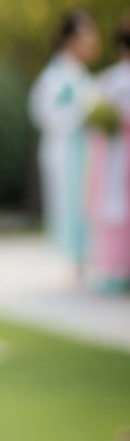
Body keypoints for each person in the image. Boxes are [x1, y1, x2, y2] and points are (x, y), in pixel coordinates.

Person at [28, 9, 100, 271]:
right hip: (66, 149)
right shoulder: (57, 77)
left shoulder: (76, 74)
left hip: (83, 148)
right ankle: (77, 259)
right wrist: (85, 115)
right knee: (71, 203)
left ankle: (86, 258)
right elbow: (47, 114)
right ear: (71, 40)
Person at [84, 15, 130, 291]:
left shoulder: (109, 80)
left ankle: (115, 268)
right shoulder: (113, 80)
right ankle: (116, 268)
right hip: (117, 154)